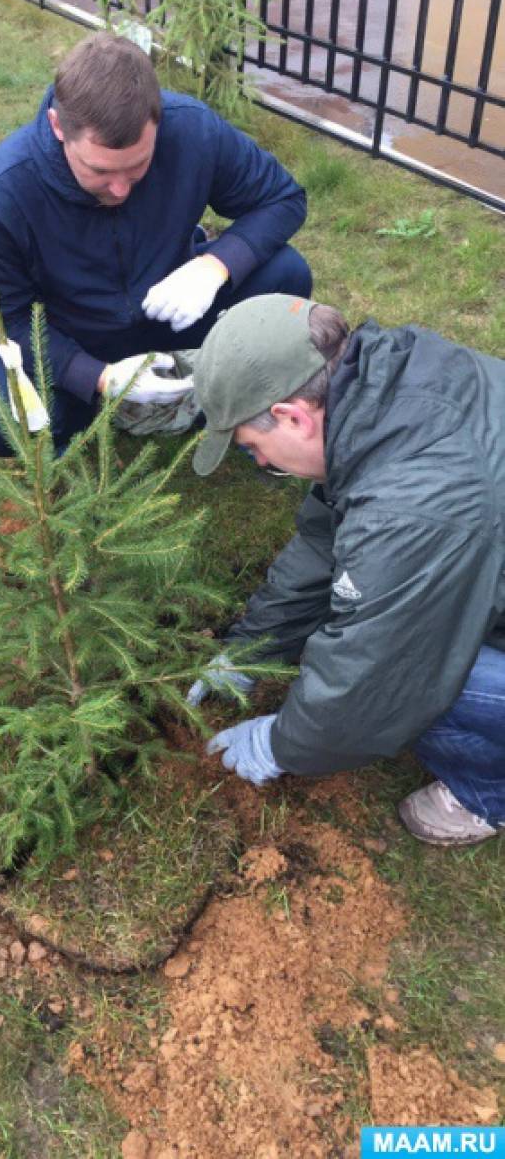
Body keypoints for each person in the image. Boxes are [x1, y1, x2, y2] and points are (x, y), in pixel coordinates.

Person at [187, 293, 505, 847]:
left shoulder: (411, 506)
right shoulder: (389, 386)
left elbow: (379, 675)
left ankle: (488, 792)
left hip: (452, 530)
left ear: (291, 416)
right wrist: (253, 647)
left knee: (424, 677)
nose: (260, 464)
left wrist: (281, 744)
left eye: (250, 448)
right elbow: (323, 543)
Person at [0, 31, 311, 456]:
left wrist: (216, 265)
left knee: (287, 273)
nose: (119, 189)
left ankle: (231, 400)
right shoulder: (5, 192)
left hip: (174, 312)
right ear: (58, 127)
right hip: (77, 338)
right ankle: (94, 409)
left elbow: (283, 198)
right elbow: (7, 318)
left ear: (158, 120)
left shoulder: (192, 131)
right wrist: (97, 376)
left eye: (137, 167)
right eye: (99, 171)